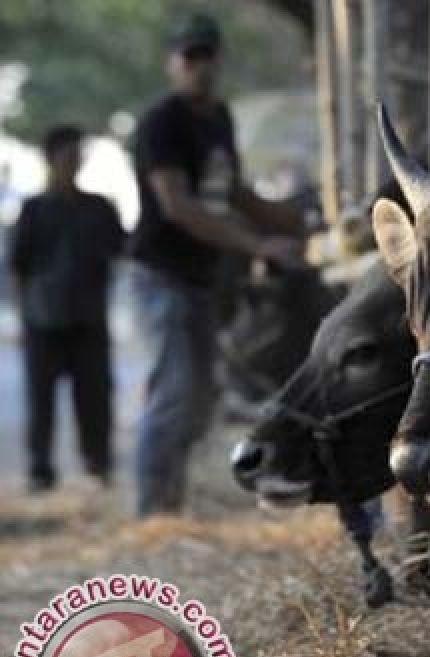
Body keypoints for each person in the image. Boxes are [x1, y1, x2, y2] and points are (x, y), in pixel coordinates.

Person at [128, 13, 306, 516]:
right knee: (173, 393)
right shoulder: (162, 122)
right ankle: (151, 513)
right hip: (160, 277)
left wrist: (291, 222)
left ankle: (171, 500)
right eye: (190, 57)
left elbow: (233, 191)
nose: (200, 67)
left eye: (207, 56)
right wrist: (258, 246)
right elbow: (178, 206)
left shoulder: (219, 119)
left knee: (202, 399)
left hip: (200, 279)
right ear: (173, 64)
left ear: (218, 60)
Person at [6, 125, 124, 493]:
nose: (73, 164)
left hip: (88, 317)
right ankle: (41, 470)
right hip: (43, 320)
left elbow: (122, 250)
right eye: (67, 156)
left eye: (77, 156)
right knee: (40, 402)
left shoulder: (99, 207)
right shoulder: (33, 209)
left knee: (94, 397)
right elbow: (17, 267)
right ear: (51, 160)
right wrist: (23, 317)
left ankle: (97, 463)